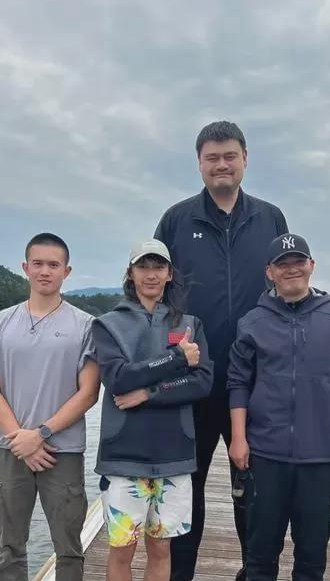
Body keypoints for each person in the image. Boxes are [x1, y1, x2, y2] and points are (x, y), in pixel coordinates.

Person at [154, 121, 289, 581]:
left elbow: (287, 290)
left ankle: (253, 573)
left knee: (254, 493)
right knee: (184, 491)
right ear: (199, 164)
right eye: (211, 158)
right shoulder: (176, 221)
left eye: (230, 156)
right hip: (191, 381)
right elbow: (151, 292)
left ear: (245, 159)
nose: (221, 165)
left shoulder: (270, 219)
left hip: (255, 383)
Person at [227, 233, 330, 581]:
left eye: (298, 261)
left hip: (319, 459)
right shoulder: (252, 323)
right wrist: (238, 438)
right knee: (260, 558)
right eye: (283, 264)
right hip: (265, 456)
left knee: (311, 559)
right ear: (270, 272)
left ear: (311, 265)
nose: (291, 269)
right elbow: (238, 383)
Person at [0, 233, 100, 581]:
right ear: (25, 267)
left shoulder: (85, 326)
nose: (45, 271)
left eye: (53, 265)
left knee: (69, 547)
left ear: (66, 271)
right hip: (10, 450)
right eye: (38, 264)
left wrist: (41, 434)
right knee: (9, 547)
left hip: (62, 451)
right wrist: (20, 439)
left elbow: (88, 392)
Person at [92, 239, 213, 581]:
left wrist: (149, 392)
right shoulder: (107, 324)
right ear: (130, 273)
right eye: (142, 267)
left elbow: (202, 382)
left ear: (169, 274)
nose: (151, 274)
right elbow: (117, 379)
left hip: (175, 457)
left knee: (161, 549)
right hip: (123, 458)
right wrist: (176, 359)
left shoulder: (190, 324)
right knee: (121, 551)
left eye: (158, 267)